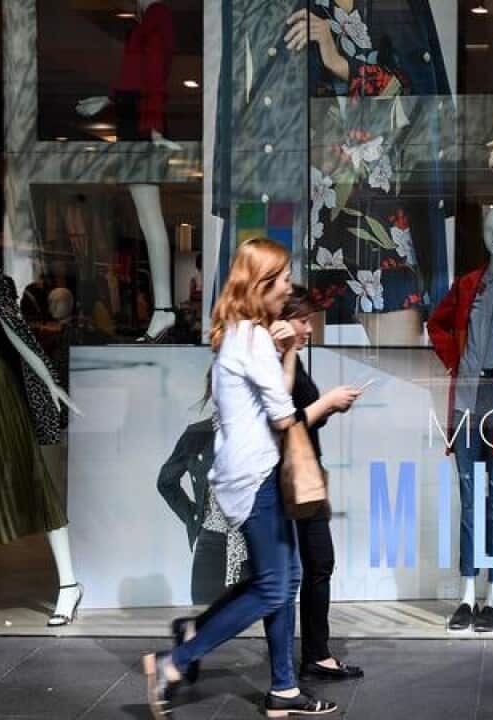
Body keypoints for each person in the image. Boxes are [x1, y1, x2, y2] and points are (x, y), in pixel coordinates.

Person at [141, 238, 351, 719]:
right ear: (261, 284)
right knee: (275, 587)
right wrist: (289, 359)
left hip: (250, 474)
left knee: (284, 578)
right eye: (282, 279)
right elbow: (284, 415)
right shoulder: (252, 338)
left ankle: (283, 690)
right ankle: (177, 659)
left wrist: (282, 346)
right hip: (255, 477)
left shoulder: (242, 333)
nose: (289, 287)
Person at [280, 286, 365, 681]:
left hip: (305, 472)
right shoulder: (279, 362)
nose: (310, 328)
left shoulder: (292, 358)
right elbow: (285, 424)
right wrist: (326, 404)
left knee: (315, 564)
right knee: (301, 568)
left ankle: (316, 652)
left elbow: (300, 416)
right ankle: (313, 655)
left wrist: (329, 406)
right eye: (303, 320)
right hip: (292, 475)